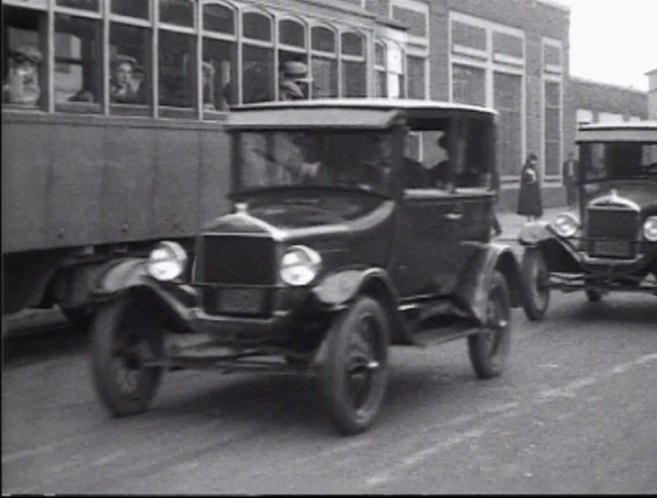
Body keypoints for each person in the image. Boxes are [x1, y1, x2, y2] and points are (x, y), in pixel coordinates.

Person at [517, 153, 544, 221]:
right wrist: (530, 180)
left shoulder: (534, 168)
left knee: (535, 204)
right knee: (528, 205)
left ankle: (536, 216)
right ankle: (529, 217)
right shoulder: (526, 168)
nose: (535, 162)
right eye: (533, 160)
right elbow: (525, 177)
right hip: (528, 190)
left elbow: (536, 178)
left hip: (534, 190)